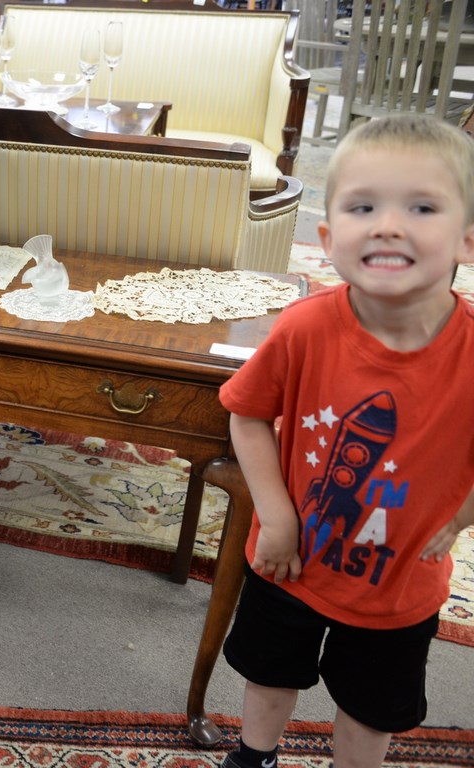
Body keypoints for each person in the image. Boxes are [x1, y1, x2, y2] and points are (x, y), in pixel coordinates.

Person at [217, 113, 474, 768]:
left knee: (370, 704)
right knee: (270, 672)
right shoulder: (304, 328)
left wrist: (459, 518)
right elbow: (247, 415)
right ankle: (254, 756)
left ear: (468, 237)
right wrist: (276, 517)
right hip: (290, 558)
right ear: (328, 237)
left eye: (421, 207)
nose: (388, 225)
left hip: (399, 585)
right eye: (364, 207)